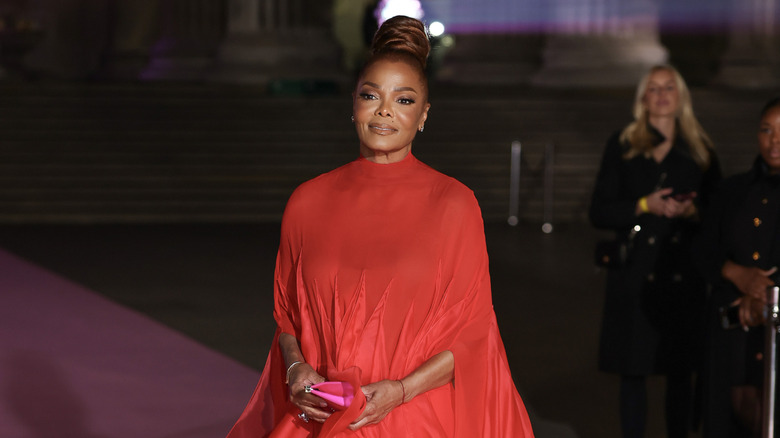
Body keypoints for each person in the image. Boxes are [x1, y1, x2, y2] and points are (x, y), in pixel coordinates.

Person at [225, 15, 535, 438]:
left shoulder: (453, 203)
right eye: (371, 95)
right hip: (323, 417)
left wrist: (401, 390)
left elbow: (474, 334)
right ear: (353, 104)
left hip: (416, 418)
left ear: (423, 116)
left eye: (404, 100)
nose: (385, 109)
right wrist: (296, 370)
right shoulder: (307, 201)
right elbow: (288, 320)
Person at [589, 64, 721, 438]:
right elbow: (599, 210)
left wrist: (692, 210)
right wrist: (645, 205)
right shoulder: (623, 145)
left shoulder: (700, 149)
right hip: (635, 274)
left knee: (681, 374)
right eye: (653, 89)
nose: (662, 96)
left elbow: (719, 214)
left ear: (681, 96)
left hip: (682, 275)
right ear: (643, 98)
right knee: (633, 374)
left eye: (669, 88)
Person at [694, 97, 780, 438]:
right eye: (767, 130)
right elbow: (701, 249)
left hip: (773, 329)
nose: (774, 141)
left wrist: (765, 296)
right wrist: (735, 274)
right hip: (730, 330)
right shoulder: (732, 190)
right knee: (725, 418)